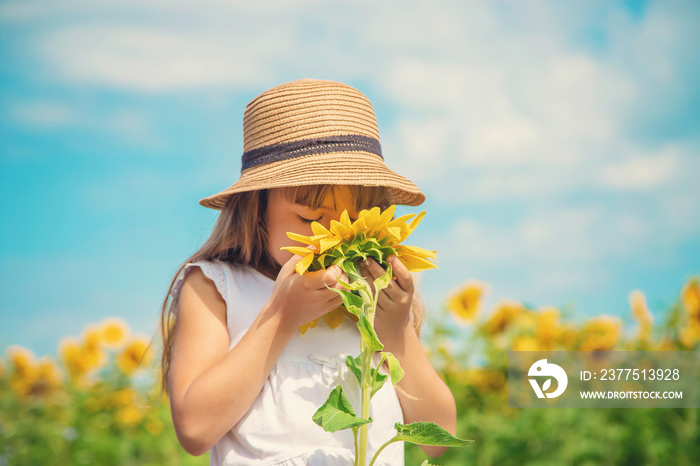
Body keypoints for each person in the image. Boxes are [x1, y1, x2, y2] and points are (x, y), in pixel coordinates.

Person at [160, 79, 457, 466]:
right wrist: (282, 315)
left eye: (356, 222)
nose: (334, 238)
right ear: (257, 209)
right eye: (310, 219)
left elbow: (440, 438)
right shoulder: (217, 286)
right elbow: (196, 430)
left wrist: (395, 330)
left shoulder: (376, 299)